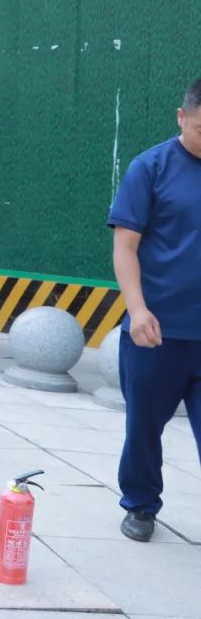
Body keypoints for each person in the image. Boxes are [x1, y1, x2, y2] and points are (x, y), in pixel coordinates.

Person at [108, 77, 201, 543]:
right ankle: (141, 505)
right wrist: (137, 309)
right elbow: (125, 246)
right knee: (144, 428)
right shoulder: (151, 168)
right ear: (182, 117)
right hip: (156, 331)